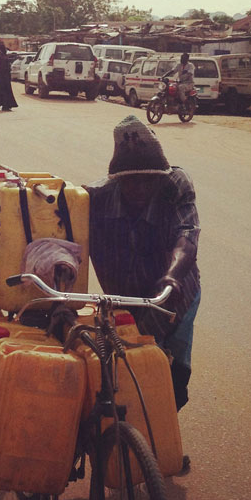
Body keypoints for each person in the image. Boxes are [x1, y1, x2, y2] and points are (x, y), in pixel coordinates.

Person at [85, 115, 201, 412]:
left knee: (172, 378)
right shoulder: (96, 198)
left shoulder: (175, 187)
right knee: (118, 375)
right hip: (124, 299)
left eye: (147, 179)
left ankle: (164, 442)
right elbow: (60, 228)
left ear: (159, 177)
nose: (139, 187)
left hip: (173, 298)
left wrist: (172, 276)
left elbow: (186, 237)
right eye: (131, 180)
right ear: (118, 179)